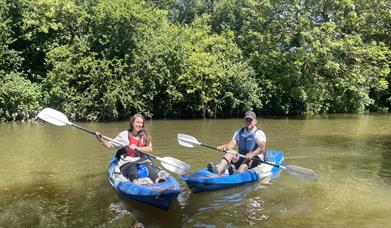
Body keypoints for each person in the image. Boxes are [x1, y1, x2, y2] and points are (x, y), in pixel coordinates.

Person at [95, 113, 164, 184]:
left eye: (141, 123)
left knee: (148, 165)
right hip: (127, 162)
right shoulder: (124, 135)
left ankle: (157, 180)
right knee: (132, 167)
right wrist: (100, 139)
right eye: (137, 122)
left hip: (141, 160)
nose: (139, 125)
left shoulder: (144, 135)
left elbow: (150, 148)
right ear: (132, 122)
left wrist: (138, 148)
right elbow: (109, 145)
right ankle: (135, 181)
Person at [208, 111, 267, 175]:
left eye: (251, 120)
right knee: (230, 152)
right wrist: (223, 147)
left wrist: (252, 154)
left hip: (254, 159)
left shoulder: (259, 133)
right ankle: (218, 170)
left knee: (249, 159)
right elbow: (230, 145)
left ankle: (238, 173)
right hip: (242, 157)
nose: (248, 122)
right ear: (244, 121)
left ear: (255, 121)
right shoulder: (239, 132)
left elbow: (262, 148)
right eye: (247, 120)